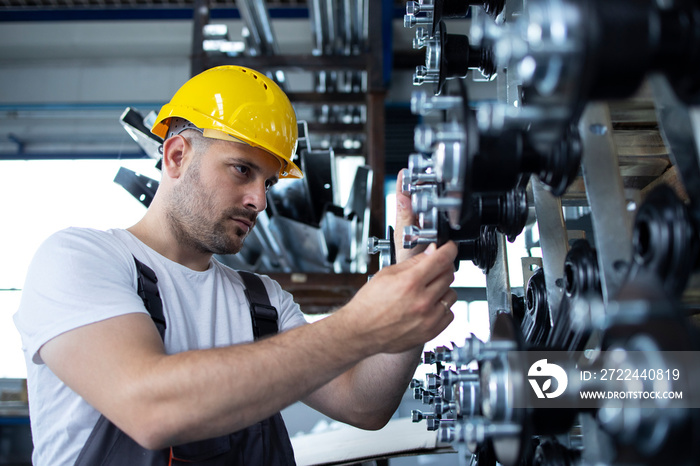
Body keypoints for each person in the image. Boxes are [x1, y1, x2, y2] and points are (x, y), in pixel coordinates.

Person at [14, 65, 458, 466]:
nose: (260, 200)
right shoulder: (79, 259)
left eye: (267, 181)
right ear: (176, 157)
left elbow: (365, 405)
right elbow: (149, 409)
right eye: (241, 170)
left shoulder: (261, 302)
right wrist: (358, 325)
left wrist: (410, 280)